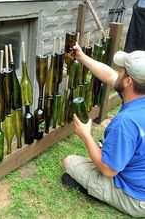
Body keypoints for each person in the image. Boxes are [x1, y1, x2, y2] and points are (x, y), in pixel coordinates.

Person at [62, 42, 145, 217]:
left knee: (69, 162)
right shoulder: (139, 97)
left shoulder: (125, 122)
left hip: (137, 198)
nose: (118, 72)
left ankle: (101, 193)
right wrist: (82, 56)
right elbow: (109, 76)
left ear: (129, 81)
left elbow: (108, 170)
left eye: (121, 71)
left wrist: (86, 136)